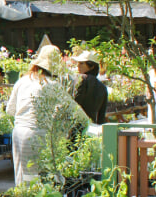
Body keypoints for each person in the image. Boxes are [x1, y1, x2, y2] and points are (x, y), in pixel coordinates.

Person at [6, 44, 60, 186]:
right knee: (39, 177)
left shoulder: (22, 81)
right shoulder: (53, 85)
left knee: (21, 176)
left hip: (19, 132)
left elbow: (10, 110)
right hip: (39, 132)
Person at [73, 50, 108, 125]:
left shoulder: (81, 79)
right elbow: (101, 117)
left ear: (91, 66)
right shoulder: (103, 87)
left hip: (76, 125)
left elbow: (75, 104)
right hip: (91, 126)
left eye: (81, 63)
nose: (78, 65)